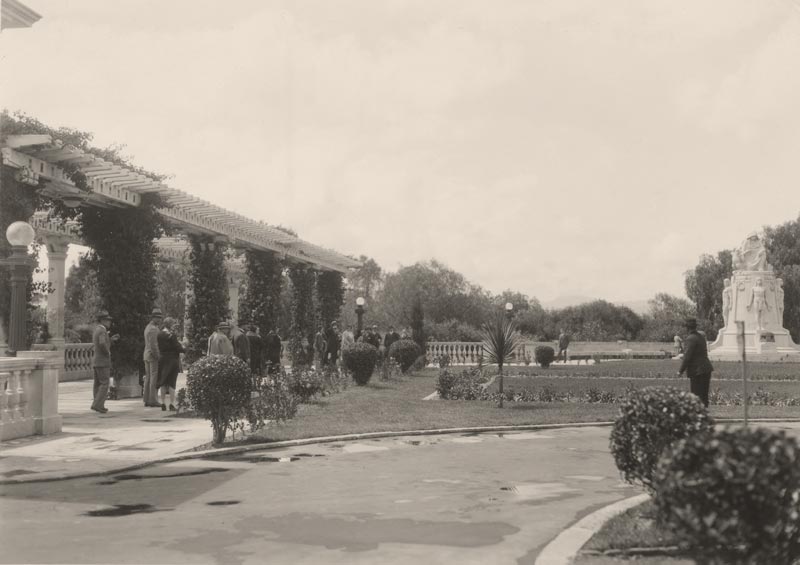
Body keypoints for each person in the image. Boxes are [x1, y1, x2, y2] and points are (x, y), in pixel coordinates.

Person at [677, 318, 714, 407]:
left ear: (687, 328)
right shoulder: (700, 337)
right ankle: (704, 414)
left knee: (696, 394)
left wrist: (680, 371)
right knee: (704, 394)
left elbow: (687, 357)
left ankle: (699, 415)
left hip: (697, 370)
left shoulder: (690, 338)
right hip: (706, 368)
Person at [91, 310, 119, 414]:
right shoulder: (102, 331)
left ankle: (99, 404)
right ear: (102, 320)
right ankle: (97, 404)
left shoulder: (97, 330)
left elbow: (102, 342)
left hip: (96, 360)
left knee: (97, 384)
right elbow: (102, 344)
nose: (109, 322)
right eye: (108, 320)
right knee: (104, 383)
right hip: (102, 361)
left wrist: (110, 340)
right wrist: (108, 352)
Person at [156, 317, 184, 411]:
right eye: (172, 324)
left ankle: (163, 403)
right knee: (172, 382)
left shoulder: (159, 334)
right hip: (172, 360)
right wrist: (184, 348)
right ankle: (172, 403)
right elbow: (178, 347)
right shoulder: (172, 335)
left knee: (163, 381)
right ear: (170, 325)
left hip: (162, 359)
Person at [143, 307, 163, 408]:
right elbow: (154, 345)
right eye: (157, 318)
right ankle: (153, 400)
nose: (159, 320)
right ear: (153, 318)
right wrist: (158, 356)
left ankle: (146, 399)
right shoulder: (154, 329)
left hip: (146, 355)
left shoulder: (148, 327)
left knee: (148, 378)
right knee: (153, 378)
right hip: (152, 356)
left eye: (160, 317)